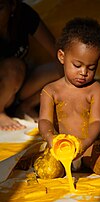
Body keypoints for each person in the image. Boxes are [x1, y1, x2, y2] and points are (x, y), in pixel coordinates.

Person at [38, 17, 100, 170]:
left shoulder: (96, 90)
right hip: (60, 147)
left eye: (91, 67)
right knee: (48, 170)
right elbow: (44, 120)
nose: (84, 72)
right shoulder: (50, 91)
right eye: (77, 65)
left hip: (88, 146)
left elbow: (96, 122)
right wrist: (51, 139)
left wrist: (86, 142)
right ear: (62, 57)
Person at [0, 0, 63, 131]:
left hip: (20, 86)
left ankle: (25, 106)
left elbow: (56, 51)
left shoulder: (24, 14)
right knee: (13, 67)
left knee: (66, 68)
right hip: (5, 85)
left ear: (12, 6)